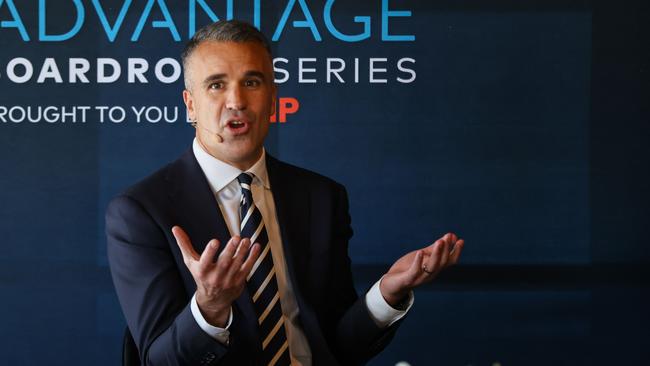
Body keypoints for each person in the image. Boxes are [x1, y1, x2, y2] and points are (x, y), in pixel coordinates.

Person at [106, 20, 464, 366]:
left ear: (273, 98)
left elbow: (338, 347)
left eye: (252, 81)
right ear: (190, 105)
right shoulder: (140, 211)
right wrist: (210, 307)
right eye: (216, 85)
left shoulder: (322, 197)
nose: (236, 101)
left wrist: (387, 292)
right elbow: (157, 360)